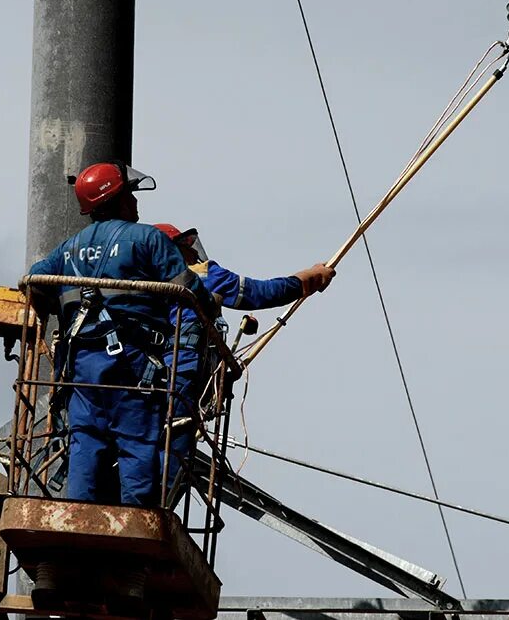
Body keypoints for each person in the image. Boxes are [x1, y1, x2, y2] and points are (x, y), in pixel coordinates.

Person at [28, 162, 215, 506]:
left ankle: (79, 516)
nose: (135, 201)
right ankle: (134, 523)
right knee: (137, 441)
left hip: (81, 366)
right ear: (118, 198)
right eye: (129, 193)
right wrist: (210, 311)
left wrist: (53, 306)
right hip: (131, 364)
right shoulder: (147, 238)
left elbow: (34, 280)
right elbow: (191, 291)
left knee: (85, 438)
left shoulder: (70, 247)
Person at [151, 223, 334, 493]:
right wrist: (309, 278)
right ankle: (151, 510)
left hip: (142, 378)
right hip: (182, 374)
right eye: (186, 248)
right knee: (173, 449)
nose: (193, 255)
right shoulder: (200, 276)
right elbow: (260, 293)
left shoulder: (138, 286)